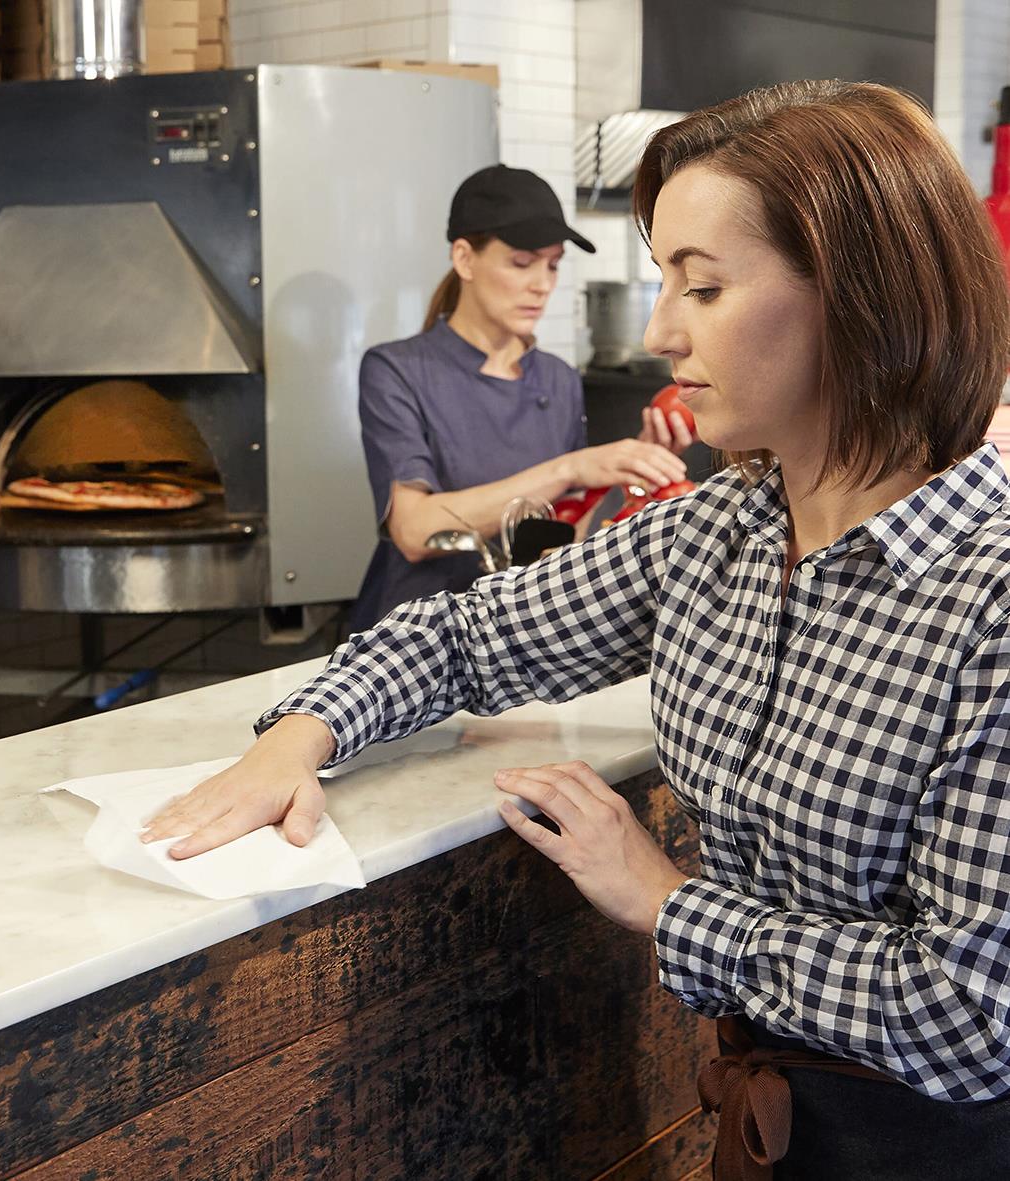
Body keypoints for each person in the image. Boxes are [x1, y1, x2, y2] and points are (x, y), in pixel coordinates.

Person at [143, 79, 1010, 1178]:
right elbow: (460, 635)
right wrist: (298, 731)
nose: (657, 330)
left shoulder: (988, 594)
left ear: (862, 296)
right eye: (662, 282)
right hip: (766, 1118)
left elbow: (969, 1013)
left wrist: (664, 900)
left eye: (701, 285)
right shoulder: (717, 532)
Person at [350, 163, 691, 628]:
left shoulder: (557, 379)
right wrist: (571, 467)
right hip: (414, 632)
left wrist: (629, 474)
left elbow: (564, 537)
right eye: (521, 263)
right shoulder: (396, 370)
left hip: (517, 634)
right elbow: (414, 530)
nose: (543, 284)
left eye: (552, 265)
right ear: (465, 258)